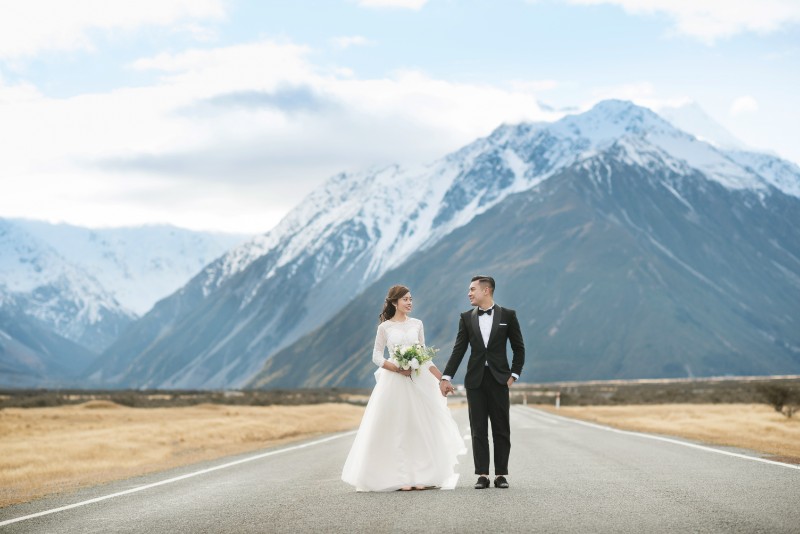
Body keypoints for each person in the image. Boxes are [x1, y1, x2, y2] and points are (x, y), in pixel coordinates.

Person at [342, 285, 465, 492]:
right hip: (394, 383)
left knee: (418, 428)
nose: (409, 302)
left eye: (411, 299)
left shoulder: (417, 324)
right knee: (397, 429)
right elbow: (377, 356)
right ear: (394, 302)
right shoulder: (385, 328)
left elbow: (425, 357)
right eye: (405, 299)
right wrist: (398, 368)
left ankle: (421, 476)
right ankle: (400, 477)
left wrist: (443, 379)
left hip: (418, 382)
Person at [439, 275, 525, 489]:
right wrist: (446, 376)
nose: (469, 293)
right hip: (475, 380)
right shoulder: (466, 318)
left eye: (472, 289)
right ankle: (483, 475)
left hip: (499, 380)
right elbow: (459, 350)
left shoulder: (508, 315)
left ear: (486, 291)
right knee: (478, 429)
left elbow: (519, 348)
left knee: (501, 429)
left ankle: (501, 475)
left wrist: (514, 375)